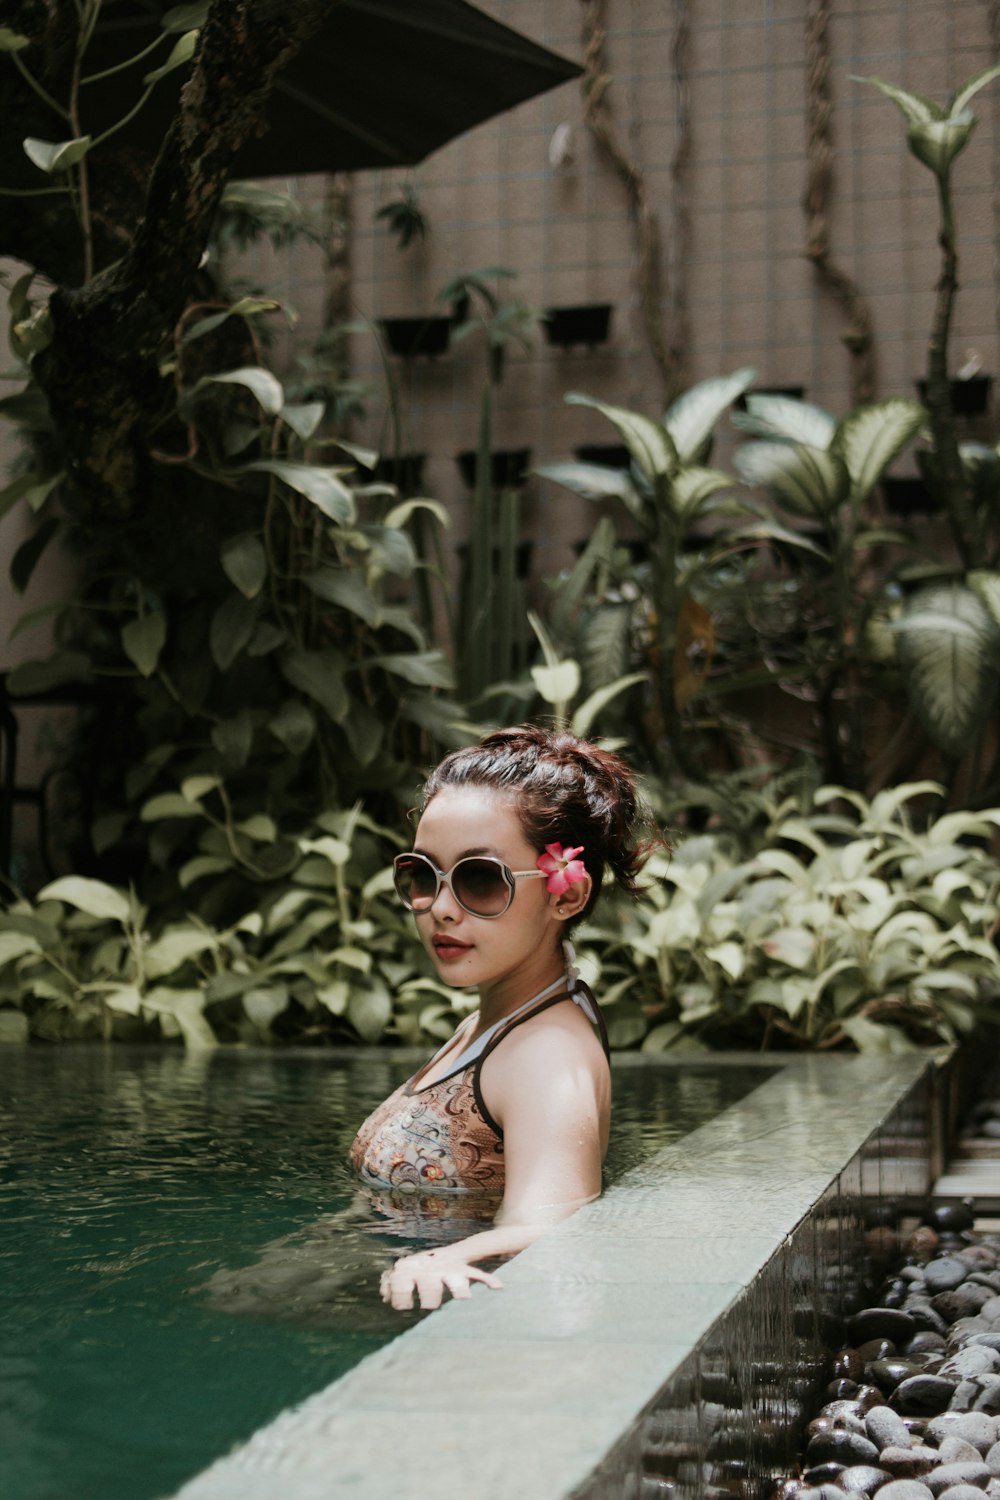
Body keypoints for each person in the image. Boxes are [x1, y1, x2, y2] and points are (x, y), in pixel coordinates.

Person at [349, 724, 650, 1312]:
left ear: (566, 895)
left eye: (480, 880)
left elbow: (561, 1227)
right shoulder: (495, 1025)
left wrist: (446, 1257)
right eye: (423, 874)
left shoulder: (546, 1056)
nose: (440, 908)